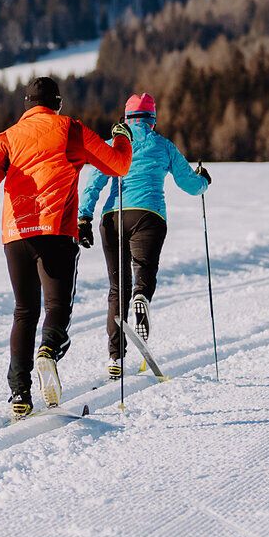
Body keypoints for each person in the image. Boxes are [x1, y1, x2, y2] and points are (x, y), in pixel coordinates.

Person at [0, 75, 132, 418]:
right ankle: (48, 350)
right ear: (57, 104)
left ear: (26, 105)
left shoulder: (7, 137)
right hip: (56, 229)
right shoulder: (69, 129)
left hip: (17, 234)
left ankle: (19, 393)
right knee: (56, 306)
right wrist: (122, 137)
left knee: (24, 311)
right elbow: (118, 165)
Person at [80, 93, 210, 377]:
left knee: (117, 288)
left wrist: (84, 216)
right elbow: (190, 185)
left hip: (113, 217)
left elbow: (94, 182)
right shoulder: (163, 146)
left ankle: (115, 358)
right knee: (145, 272)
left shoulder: (114, 144)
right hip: (149, 216)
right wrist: (204, 181)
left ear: (126, 119)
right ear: (152, 119)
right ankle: (142, 296)